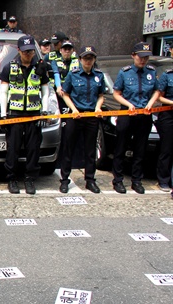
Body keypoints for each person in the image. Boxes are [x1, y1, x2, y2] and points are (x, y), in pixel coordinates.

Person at [0, 35, 50, 195]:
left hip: (34, 114)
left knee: (33, 149)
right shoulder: (9, 67)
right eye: (25, 51)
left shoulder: (40, 67)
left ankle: (29, 179)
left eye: (30, 51)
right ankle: (12, 179)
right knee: (13, 149)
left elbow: (46, 91)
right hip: (14, 114)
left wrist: (45, 112)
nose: (28, 54)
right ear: (19, 50)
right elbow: (3, 92)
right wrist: (3, 115)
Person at [111, 42, 160, 194]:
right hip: (127, 113)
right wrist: (128, 104)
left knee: (140, 149)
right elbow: (116, 93)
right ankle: (118, 180)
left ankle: (136, 180)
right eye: (140, 57)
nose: (143, 60)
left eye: (146, 57)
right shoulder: (124, 73)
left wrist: (151, 104)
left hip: (144, 115)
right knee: (121, 148)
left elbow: (157, 91)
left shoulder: (151, 72)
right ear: (133, 56)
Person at [59, 46, 105, 194]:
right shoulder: (73, 75)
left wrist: (98, 107)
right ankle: (64, 179)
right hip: (75, 115)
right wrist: (73, 109)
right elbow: (65, 94)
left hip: (91, 116)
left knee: (90, 149)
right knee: (69, 148)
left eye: (91, 58)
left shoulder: (99, 75)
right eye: (85, 58)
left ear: (94, 60)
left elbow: (101, 95)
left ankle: (90, 180)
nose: (88, 61)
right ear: (80, 60)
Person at [155, 60, 173, 191]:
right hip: (168, 114)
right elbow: (159, 97)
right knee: (166, 149)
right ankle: (163, 180)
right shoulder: (167, 75)